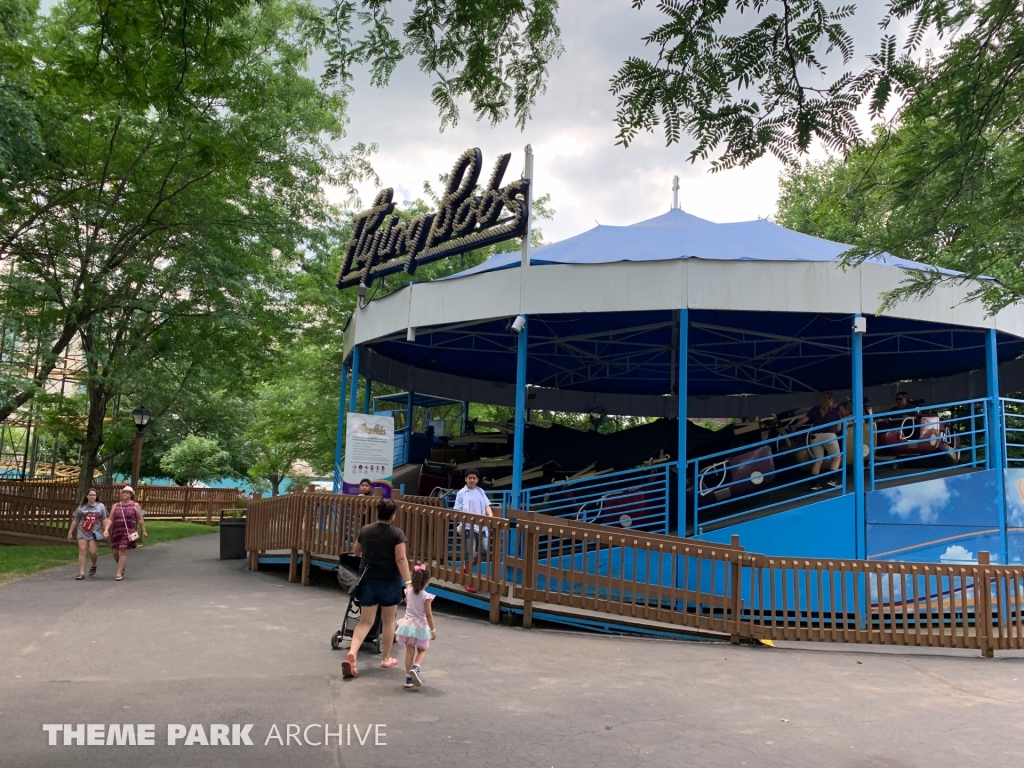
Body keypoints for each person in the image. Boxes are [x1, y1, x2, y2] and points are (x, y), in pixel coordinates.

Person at [343, 497, 412, 679]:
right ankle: (386, 658)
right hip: (389, 581)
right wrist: (409, 582)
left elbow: (356, 550)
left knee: (366, 621)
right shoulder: (397, 534)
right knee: (389, 621)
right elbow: (401, 559)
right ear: (394, 515)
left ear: (377, 512)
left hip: (368, 580)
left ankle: (352, 654)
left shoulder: (366, 530)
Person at [394, 564, 436, 689]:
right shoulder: (426, 597)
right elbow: (428, 614)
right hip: (420, 626)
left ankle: (408, 678)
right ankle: (416, 668)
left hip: (407, 625)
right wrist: (433, 630)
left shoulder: (408, 591)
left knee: (409, 652)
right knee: (422, 650)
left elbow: (407, 601)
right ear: (427, 582)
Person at [453, 469, 493, 593]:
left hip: (482, 527)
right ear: (465, 479)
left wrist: (490, 517)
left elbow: (487, 505)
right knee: (469, 553)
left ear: (477, 480)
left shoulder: (481, 491)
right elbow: (457, 509)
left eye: (474, 478)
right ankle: (468, 582)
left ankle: (465, 568)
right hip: (468, 526)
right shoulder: (461, 493)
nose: (471, 480)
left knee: (485, 552)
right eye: (469, 478)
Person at [792, 392, 842, 490]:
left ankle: (814, 484)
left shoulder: (815, 409)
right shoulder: (835, 412)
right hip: (829, 435)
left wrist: (794, 428)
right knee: (836, 458)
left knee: (818, 460)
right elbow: (839, 429)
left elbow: (803, 421)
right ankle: (832, 479)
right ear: (832, 400)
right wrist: (832, 433)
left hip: (815, 436)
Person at [103, 486, 147, 581]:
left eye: (127, 493)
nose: (124, 494)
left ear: (131, 495)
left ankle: (119, 573)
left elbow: (140, 519)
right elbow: (110, 519)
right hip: (116, 531)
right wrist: (106, 530)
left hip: (128, 532)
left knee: (122, 550)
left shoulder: (135, 505)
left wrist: (143, 530)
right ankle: (122, 566)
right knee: (115, 552)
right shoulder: (116, 505)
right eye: (123, 493)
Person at [67, 488, 108, 579]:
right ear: (87, 496)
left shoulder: (100, 506)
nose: (92, 496)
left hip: (94, 532)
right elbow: (75, 520)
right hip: (82, 531)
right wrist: (70, 532)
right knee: (82, 551)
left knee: (92, 552)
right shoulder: (82, 507)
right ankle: (81, 573)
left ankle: (94, 564)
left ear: (96, 497)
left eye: (94, 495)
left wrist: (106, 530)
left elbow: (104, 519)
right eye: (90, 495)